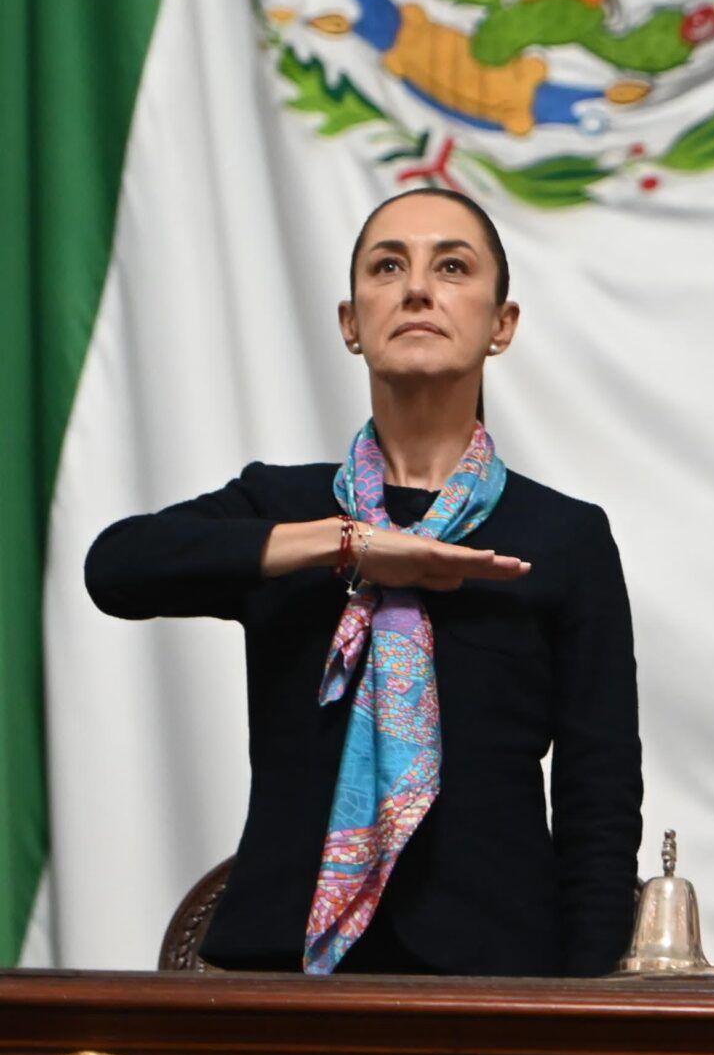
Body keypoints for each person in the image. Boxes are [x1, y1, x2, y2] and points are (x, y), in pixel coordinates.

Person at [87, 187, 642, 975]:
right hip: (283, 970)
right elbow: (116, 566)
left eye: (452, 266)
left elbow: (599, 799)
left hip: (498, 977)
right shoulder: (283, 507)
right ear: (351, 323)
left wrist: (584, 1017)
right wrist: (350, 546)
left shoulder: (565, 537)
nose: (418, 288)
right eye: (389, 266)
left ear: (501, 325)